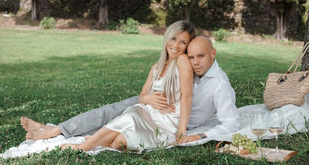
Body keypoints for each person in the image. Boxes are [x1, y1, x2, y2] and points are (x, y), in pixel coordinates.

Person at [21, 35, 240, 147]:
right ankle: (54, 130)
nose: (195, 62)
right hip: (154, 106)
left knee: (114, 121)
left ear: (214, 53)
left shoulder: (220, 85)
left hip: (165, 118)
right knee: (107, 113)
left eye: (200, 56)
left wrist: (200, 136)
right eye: (191, 57)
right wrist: (147, 97)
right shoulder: (189, 68)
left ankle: (59, 131)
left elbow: (231, 123)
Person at [59, 20, 195, 151]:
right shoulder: (156, 67)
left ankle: (99, 141)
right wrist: (149, 99)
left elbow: (187, 97)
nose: (176, 45)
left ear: (187, 46)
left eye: (183, 42)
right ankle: (83, 147)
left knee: (120, 142)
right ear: (167, 38)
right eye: (173, 38)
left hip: (167, 123)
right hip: (146, 114)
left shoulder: (182, 61)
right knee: (132, 113)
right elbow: (142, 96)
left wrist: (181, 132)